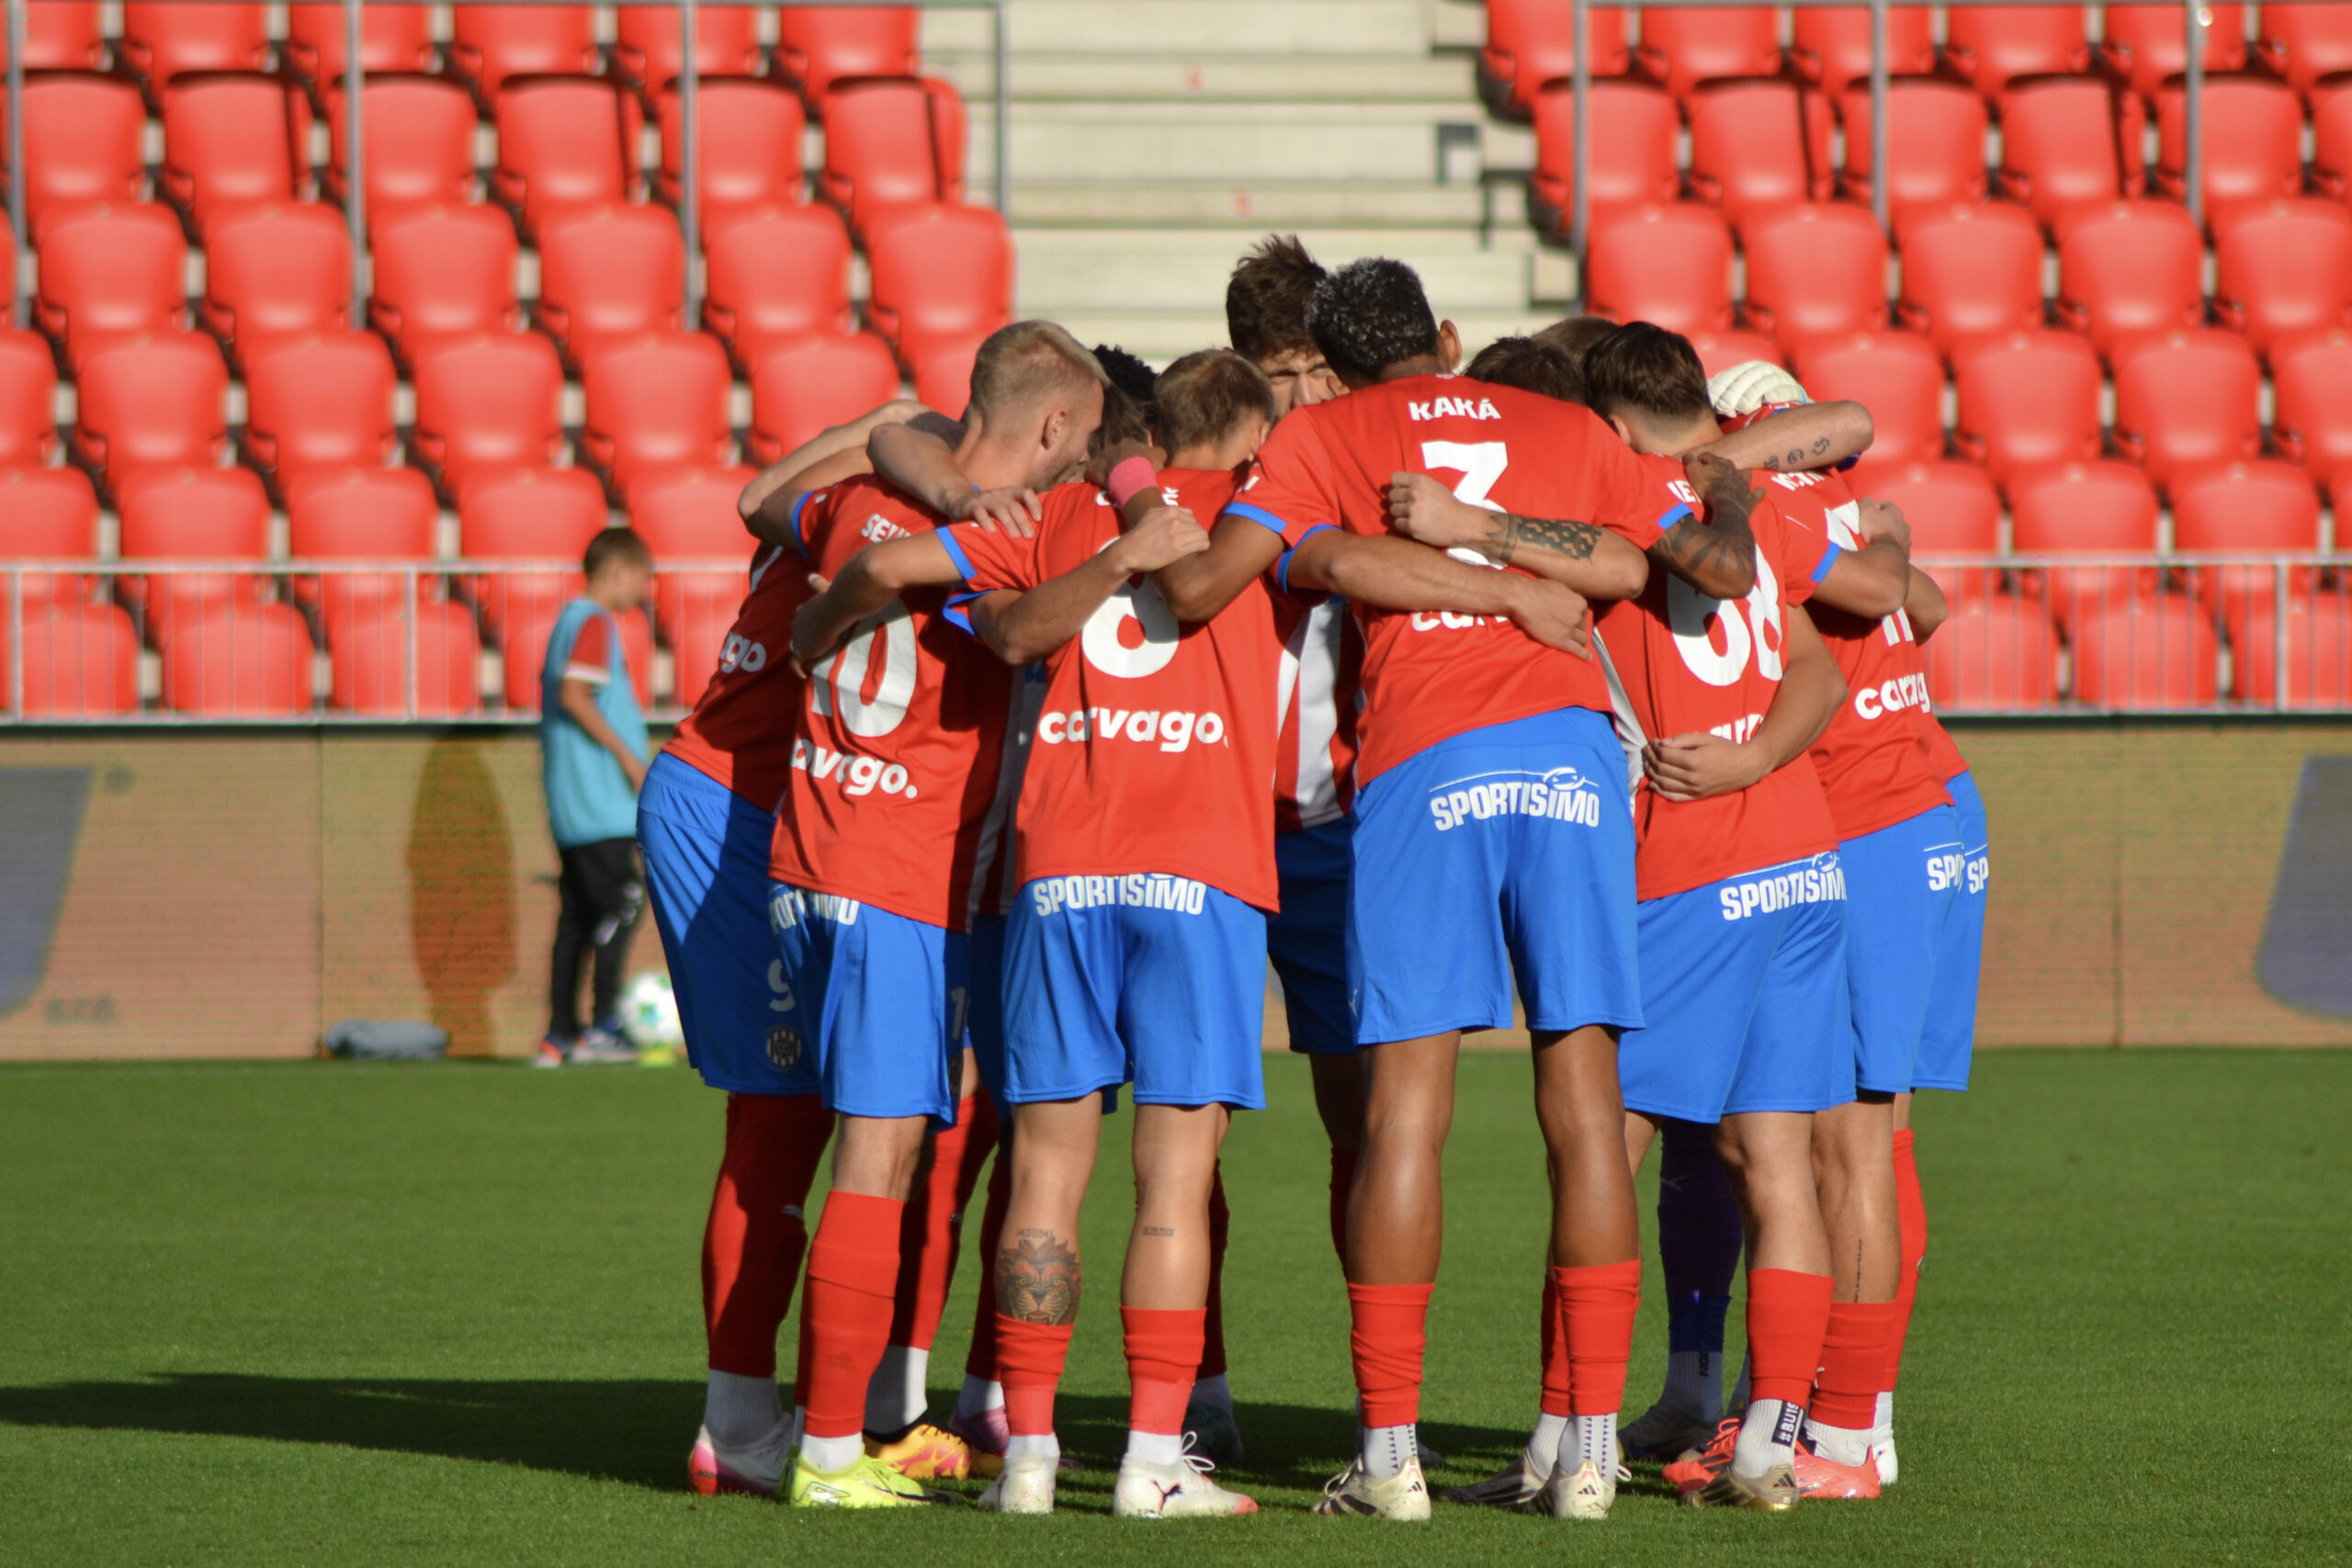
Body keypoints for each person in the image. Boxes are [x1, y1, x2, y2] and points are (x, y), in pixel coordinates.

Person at [1165, 257, 1725, 1521]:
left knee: (1405, 1109)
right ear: (1438, 335)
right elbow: (1639, 568)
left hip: (1426, 757)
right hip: (1576, 749)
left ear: (1335, 355)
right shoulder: (1572, 424)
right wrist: (1522, 564)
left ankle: (1390, 1459)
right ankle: (1587, 1456)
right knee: (1586, 1102)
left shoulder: (1323, 430)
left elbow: (1319, 568)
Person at [1401, 322, 1858, 1513]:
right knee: (1778, 1160)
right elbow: (1817, 665)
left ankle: (1569, 1444)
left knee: (1602, 1149)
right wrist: (1760, 751)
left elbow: (1620, 573)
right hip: (1800, 861)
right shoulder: (1755, 499)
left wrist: (1476, 531)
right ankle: (1770, 1437)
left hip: (1693, 870)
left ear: (1602, 423)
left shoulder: (1648, 504)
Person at [762, 321, 1114, 1509]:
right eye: (1080, 447)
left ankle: (820, 1423)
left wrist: (827, 606)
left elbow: (770, 500)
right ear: (1057, 425)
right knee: (881, 1156)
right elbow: (1015, 628)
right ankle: (828, 1451)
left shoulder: (862, 495)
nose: (1074, 473)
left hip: (806, 852)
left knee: (850, 1151)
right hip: (896, 874)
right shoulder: (1000, 539)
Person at [637, 400, 975, 1497]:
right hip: (738, 804)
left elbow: (755, 497)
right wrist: (907, 435)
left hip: (770, 803)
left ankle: (799, 1414)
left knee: (823, 1119)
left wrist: (886, 424)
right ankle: (740, 1429)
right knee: (782, 1121)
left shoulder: (848, 504)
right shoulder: (906, 519)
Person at [537, 527, 655, 1067]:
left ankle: (560, 1033)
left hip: (571, 802)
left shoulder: (568, 621)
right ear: (617, 571)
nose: (646, 589)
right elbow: (575, 694)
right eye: (642, 576)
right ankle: (604, 1024)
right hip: (600, 800)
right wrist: (629, 758)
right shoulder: (592, 621)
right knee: (624, 902)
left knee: (578, 917)